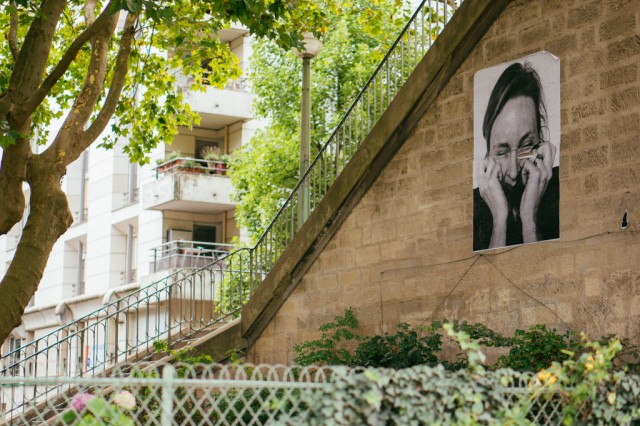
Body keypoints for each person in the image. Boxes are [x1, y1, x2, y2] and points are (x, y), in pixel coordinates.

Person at [473, 62, 559, 251]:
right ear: (487, 156)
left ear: (541, 141)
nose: (513, 172)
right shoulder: (474, 210)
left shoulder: (561, 193)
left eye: (526, 146)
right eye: (501, 153)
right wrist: (499, 222)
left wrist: (529, 220)